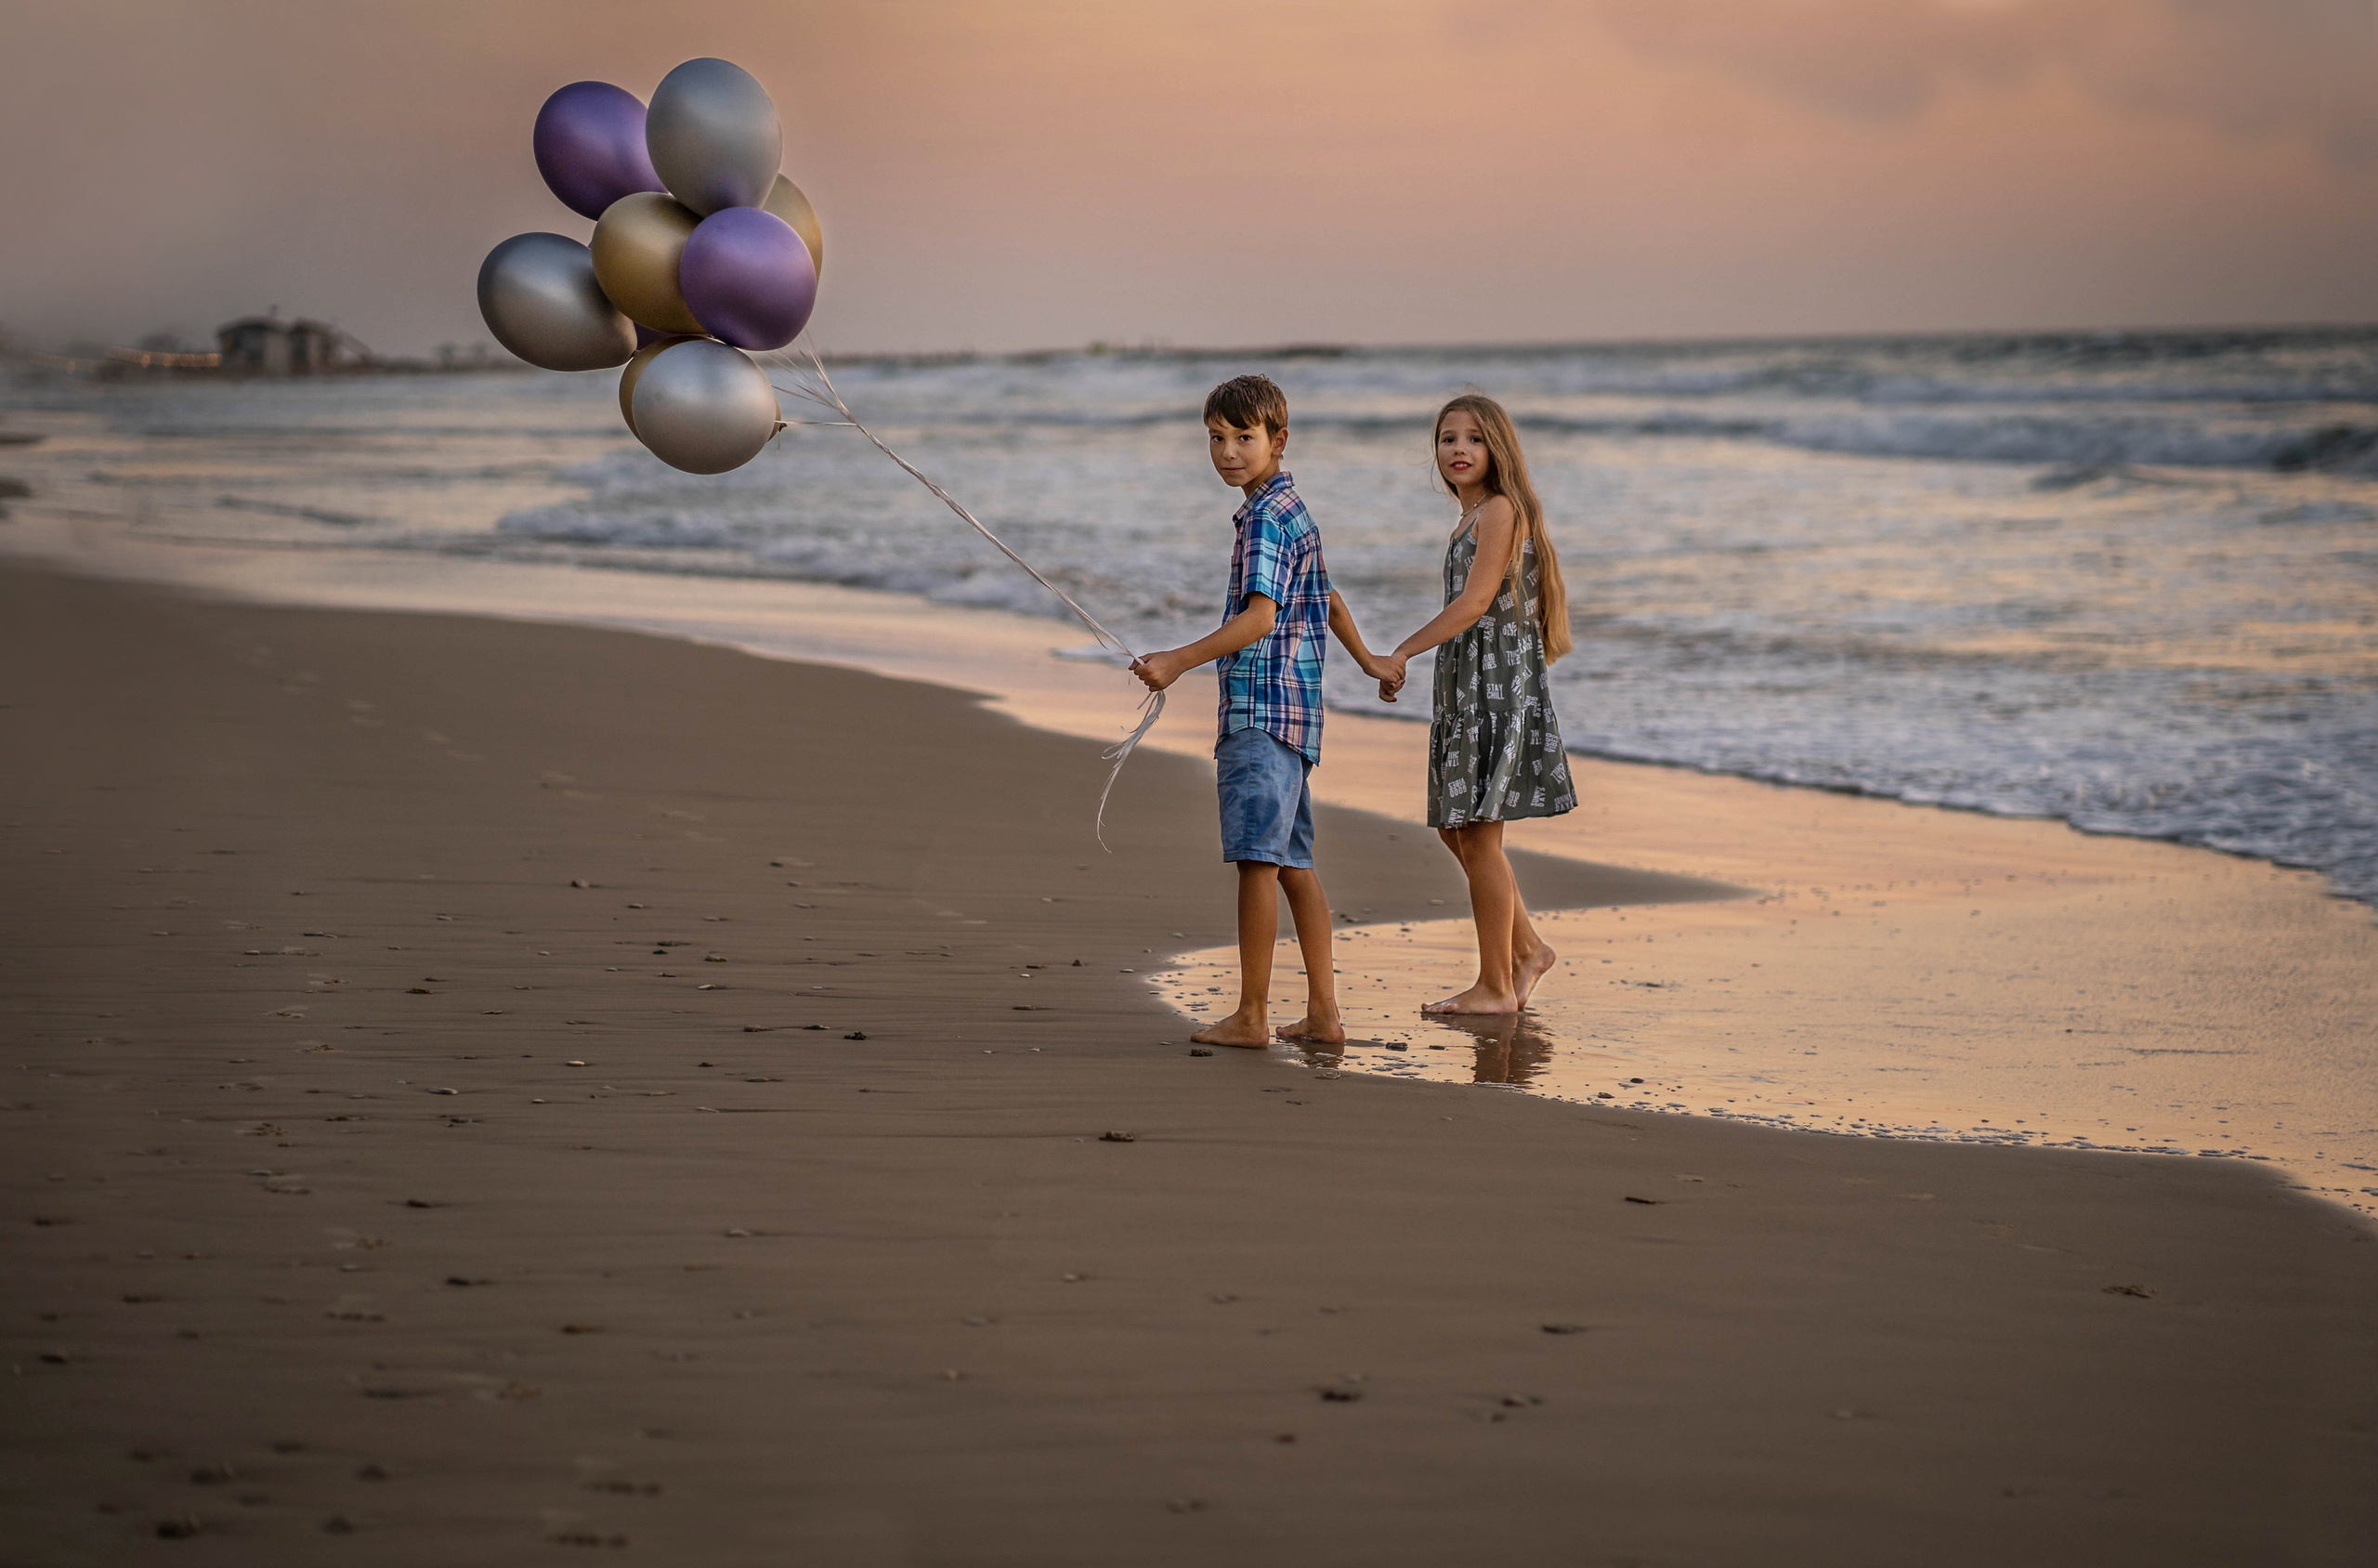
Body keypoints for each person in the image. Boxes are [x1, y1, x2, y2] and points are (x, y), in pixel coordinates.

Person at [1132, 374, 1397, 1047]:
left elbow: (1259, 619)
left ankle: (1251, 1016)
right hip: (1299, 717)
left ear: (1279, 440)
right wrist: (1369, 662)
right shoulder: (1294, 508)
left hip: (1259, 712)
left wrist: (1177, 660)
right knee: (1294, 864)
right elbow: (1327, 597)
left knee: (1258, 861)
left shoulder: (1264, 519)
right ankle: (1324, 1015)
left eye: (1243, 438)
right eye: (1216, 439)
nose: (1227, 452)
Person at [1372, 394, 1576, 1014]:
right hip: (1466, 685)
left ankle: (1495, 985)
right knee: (1455, 828)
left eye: (1474, 439)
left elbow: (1475, 604)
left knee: (1480, 837)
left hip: (1496, 689)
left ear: (1498, 450)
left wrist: (1401, 651)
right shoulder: (1469, 519)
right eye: (1447, 439)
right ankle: (1528, 949)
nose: (1458, 449)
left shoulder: (1500, 511)